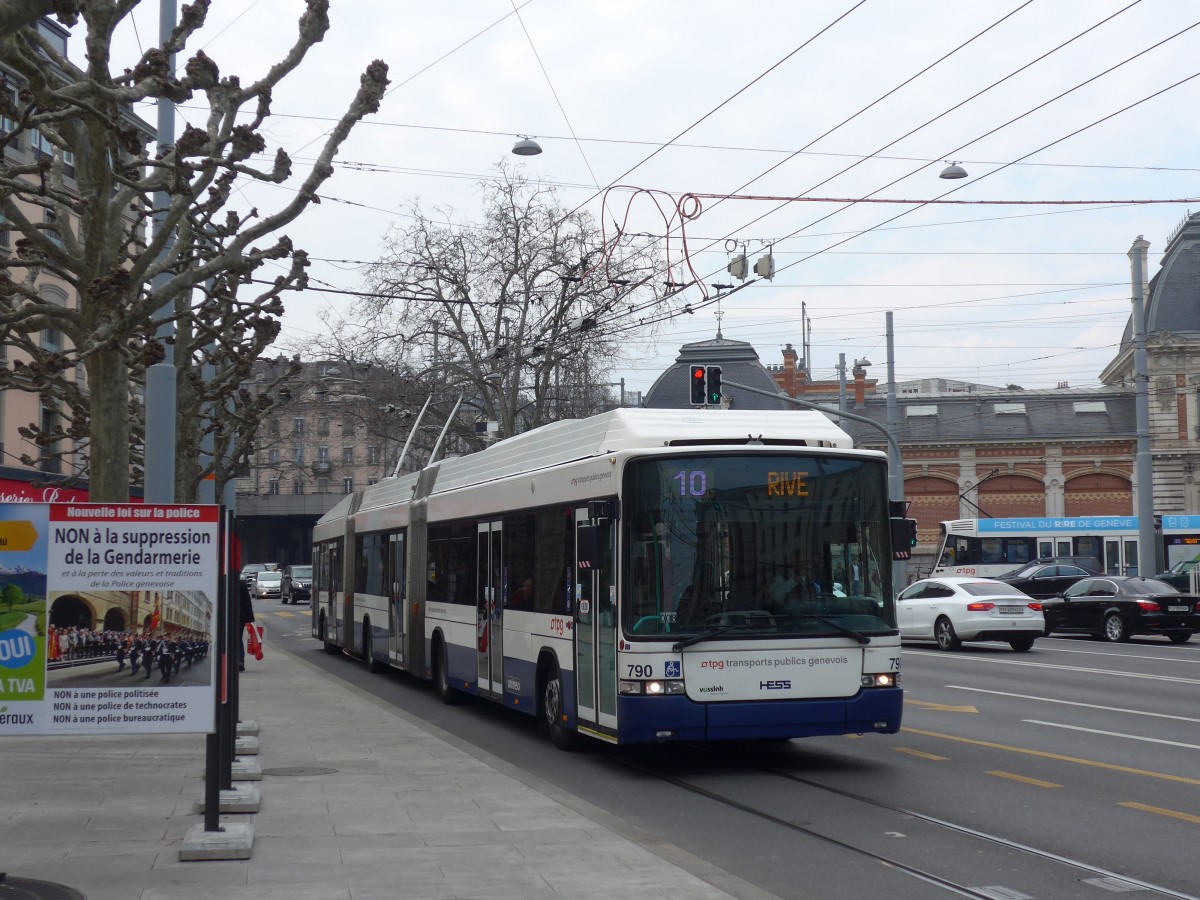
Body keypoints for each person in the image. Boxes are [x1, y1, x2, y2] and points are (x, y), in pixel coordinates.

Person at [239, 581, 255, 672]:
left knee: (233, 639)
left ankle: (237, 660)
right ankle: (240, 661)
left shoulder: (222, 581)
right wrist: (251, 618)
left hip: (230, 616)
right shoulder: (241, 584)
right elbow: (247, 602)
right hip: (240, 616)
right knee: (238, 639)